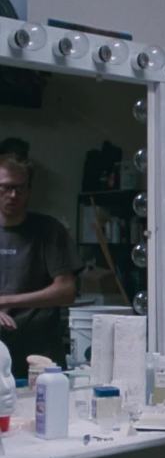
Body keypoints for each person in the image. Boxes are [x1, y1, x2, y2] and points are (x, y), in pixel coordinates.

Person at [0, 154, 82, 378]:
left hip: (41, 351)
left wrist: (6, 301)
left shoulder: (49, 230)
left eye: (20, 188)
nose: (13, 195)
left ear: (29, 190)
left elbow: (66, 291)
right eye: (6, 187)